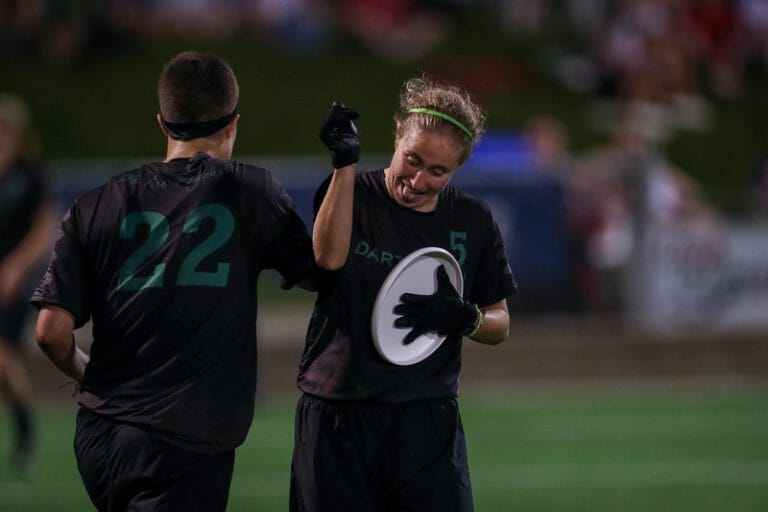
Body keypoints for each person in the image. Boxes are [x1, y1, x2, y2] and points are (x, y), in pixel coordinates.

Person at [31, 51, 316, 511]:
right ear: (233, 125)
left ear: (162, 122)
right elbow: (319, 274)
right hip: (184, 436)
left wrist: (86, 372)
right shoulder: (252, 191)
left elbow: (50, 332)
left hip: (99, 436)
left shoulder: (95, 204)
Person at [290, 76, 517, 511]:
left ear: (457, 169)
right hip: (338, 411)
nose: (417, 180)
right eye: (412, 159)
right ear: (396, 135)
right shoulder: (350, 191)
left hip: (426, 419)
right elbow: (326, 261)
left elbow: (499, 324)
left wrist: (465, 317)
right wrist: (344, 165)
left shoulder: (473, 220)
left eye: (438, 171)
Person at [0, 93, 55, 475]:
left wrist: (16, 266)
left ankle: (24, 431)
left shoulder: (30, 173)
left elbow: (43, 227)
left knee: (2, 356)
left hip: (13, 282)